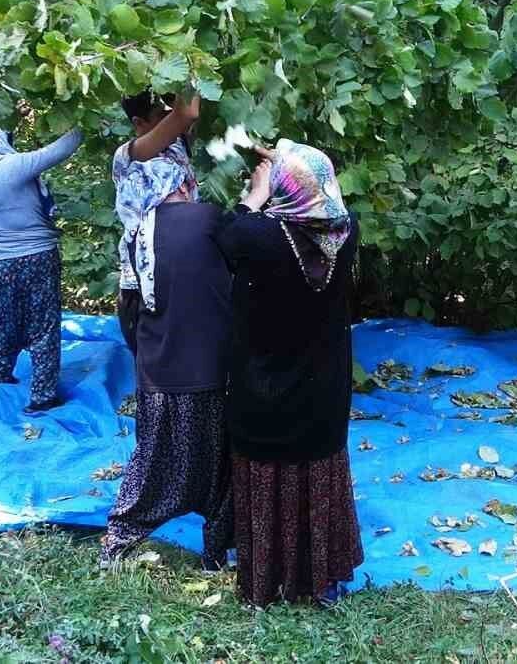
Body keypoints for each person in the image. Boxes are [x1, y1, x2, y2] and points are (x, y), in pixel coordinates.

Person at [216, 140, 363, 605]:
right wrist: (285, 165)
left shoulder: (259, 238)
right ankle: (319, 578)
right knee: (316, 473)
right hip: (322, 394)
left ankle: (268, 579)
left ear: (283, 189)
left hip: (264, 392)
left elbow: (227, 232)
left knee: (267, 474)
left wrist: (255, 195)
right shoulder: (347, 231)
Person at [101, 156, 233, 567]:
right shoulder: (213, 221)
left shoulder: (136, 232)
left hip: (160, 372)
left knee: (152, 461)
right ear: (184, 182)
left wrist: (145, 354)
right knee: (220, 470)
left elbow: (129, 307)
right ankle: (217, 553)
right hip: (212, 369)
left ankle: (118, 540)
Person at [0, 128, 82, 414]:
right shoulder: (8, 168)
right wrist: (85, 121)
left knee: (5, 319)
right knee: (44, 325)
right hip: (33, 256)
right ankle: (42, 396)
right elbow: (60, 149)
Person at [112, 91, 199, 351]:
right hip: (141, 285)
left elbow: (190, 113)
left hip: (183, 273)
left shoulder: (177, 145)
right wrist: (189, 60)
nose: (173, 119)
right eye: (164, 115)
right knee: (151, 364)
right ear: (139, 123)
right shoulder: (129, 155)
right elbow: (187, 113)